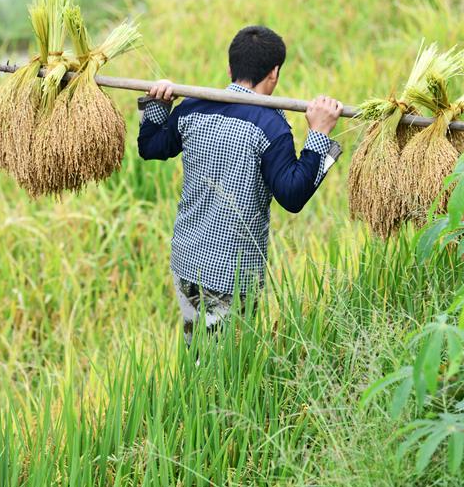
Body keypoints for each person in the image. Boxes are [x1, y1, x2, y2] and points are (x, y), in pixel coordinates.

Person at [137, 25, 344, 343]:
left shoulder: (192, 107)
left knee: (199, 351)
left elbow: (150, 146)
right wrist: (319, 133)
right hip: (231, 276)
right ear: (274, 74)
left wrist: (158, 103)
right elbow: (292, 195)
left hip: (186, 260)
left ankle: (192, 390)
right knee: (225, 369)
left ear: (230, 67)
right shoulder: (270, 126)